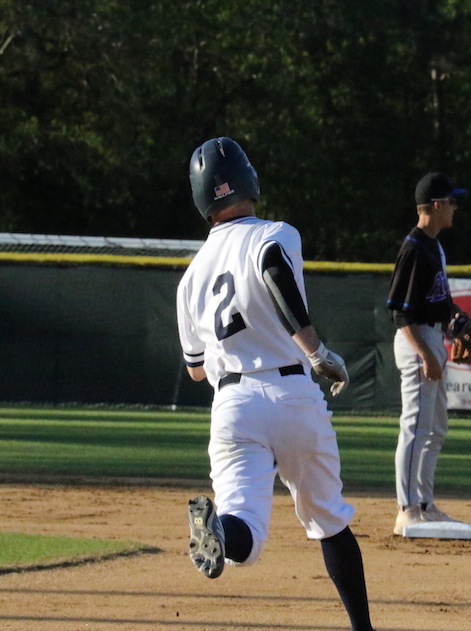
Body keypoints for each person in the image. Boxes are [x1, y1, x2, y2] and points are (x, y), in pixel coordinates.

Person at [176, 137, 376, 631]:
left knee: (244, 534)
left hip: (232, 404)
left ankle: (218, 530)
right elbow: (271, 272)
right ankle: (363, 630)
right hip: (291, 392)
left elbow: (196, 369)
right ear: (247, 180)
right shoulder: (277, 233)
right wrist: (317, 352)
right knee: (328, 519)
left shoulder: (190, 278)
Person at [386, 171, 471, 536]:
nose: (455, 207)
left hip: (432, 336)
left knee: (435, 428)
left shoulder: (435, 246)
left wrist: (456, 321)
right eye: (451, 202)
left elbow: (439, 300)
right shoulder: (414, 248)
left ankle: (425, 504)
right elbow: (399, 310)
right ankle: (407, 508)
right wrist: (426, 355)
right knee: (416, 425)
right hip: (416, 341)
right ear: (436, 205)